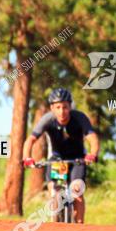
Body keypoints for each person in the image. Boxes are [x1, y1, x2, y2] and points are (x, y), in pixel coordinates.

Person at [22, 88, 99, 223]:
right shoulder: (47, 119)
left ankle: (79, 224)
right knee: (55, 190)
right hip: (57, 160)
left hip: (77, 159)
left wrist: (92, 154)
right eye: (58, 107)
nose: (62, 111)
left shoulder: (79, 118)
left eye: (65, 107)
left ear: (70, 106)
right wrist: (27, 157)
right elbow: (31, 140)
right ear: (52, 108)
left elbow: (92, 137)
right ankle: (55, 221)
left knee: (77, 191)